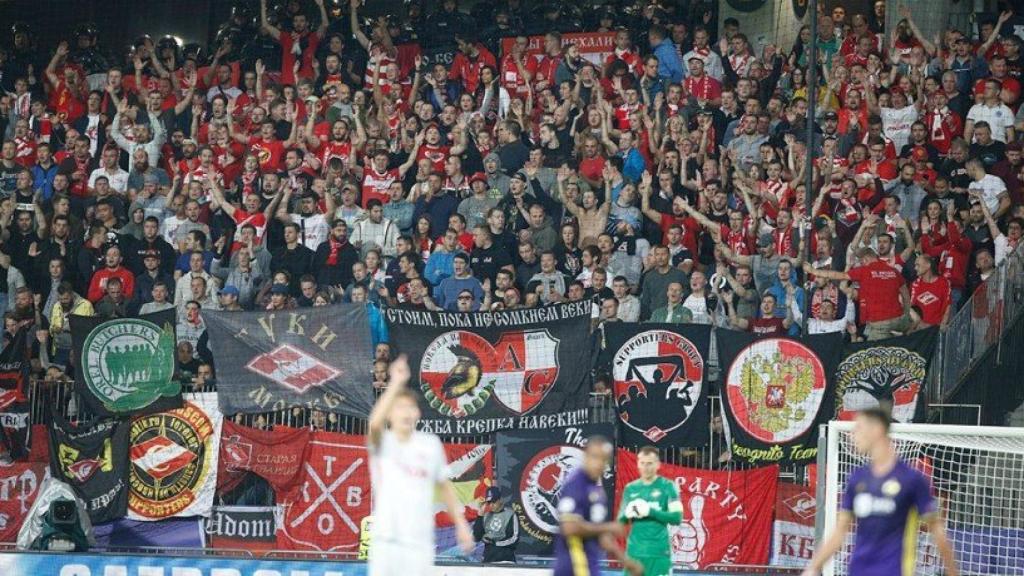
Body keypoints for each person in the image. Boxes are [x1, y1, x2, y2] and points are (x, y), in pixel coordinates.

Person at [802, 408, 959, 576]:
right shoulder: (857, 478)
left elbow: (938, 532)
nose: (853, 435)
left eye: (859, 429)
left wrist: (953, 573)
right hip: (858, 570)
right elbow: (839, 532)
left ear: (877, 430)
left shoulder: (912, 480)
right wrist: (812, 568)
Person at [366, 356, 474, 576]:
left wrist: (461, 524)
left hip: (420, 542)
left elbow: (445, 487)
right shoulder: (383, 443)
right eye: (400, 408)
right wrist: (395, 383)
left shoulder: (430, 444)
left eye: (410, 407)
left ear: (418, 413)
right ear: (390, 414)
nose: (406, 412)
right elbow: (374, 423)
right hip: (388, 540)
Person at [554, 436, 642, 576]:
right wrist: (609, 526)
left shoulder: (597, 490)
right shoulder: (576, 484)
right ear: (586, 457)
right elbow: (569, 527)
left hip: (590, 565)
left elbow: (602, 537)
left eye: (603, 459)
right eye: (594, 457)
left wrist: (626, 561)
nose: (598, 463)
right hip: (574, 567)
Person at [617, 446, 682, 576]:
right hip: (634, 553)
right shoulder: (631, 489)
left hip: (658, 553)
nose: (646, 467)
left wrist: (650, 511)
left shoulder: (668, 487)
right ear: (638, 464)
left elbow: (677, 517)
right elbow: (620, 521)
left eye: (650, 463)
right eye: (642, 463)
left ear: (658, 465)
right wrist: (626, 513)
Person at [473, 486, 519, 563]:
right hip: (488, 560)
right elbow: (476, 537)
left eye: (493, 501)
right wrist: (480, 515)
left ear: (500, 500)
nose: (491, 505)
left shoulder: (510, 514)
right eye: (489, 502)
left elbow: (514, 539)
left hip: (506, 560)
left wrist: (495, 543)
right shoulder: (485, 516)